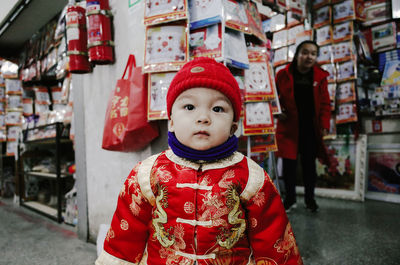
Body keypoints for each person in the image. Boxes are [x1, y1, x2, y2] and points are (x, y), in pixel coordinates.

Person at [96, 57, 303, 265]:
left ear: (233, 127)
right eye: (189, 107)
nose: (203, 117)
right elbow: (124, 239)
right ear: (171, 122)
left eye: (218, 109)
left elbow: (274, 242)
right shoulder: (146, 174)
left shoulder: (252, 178)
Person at [275, 40, 331, 213]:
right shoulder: (282, 74)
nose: (309, 56)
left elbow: (325, 104)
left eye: (313, 53)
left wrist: (324, 124)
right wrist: (277, 112)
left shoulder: (320, 76)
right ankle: (290, 199)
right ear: (297, 54)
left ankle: (310, 199)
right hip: (288, 127)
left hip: (310, 128)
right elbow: (274, 98)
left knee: (309, 166)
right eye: (305, 52)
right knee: (289, 166)